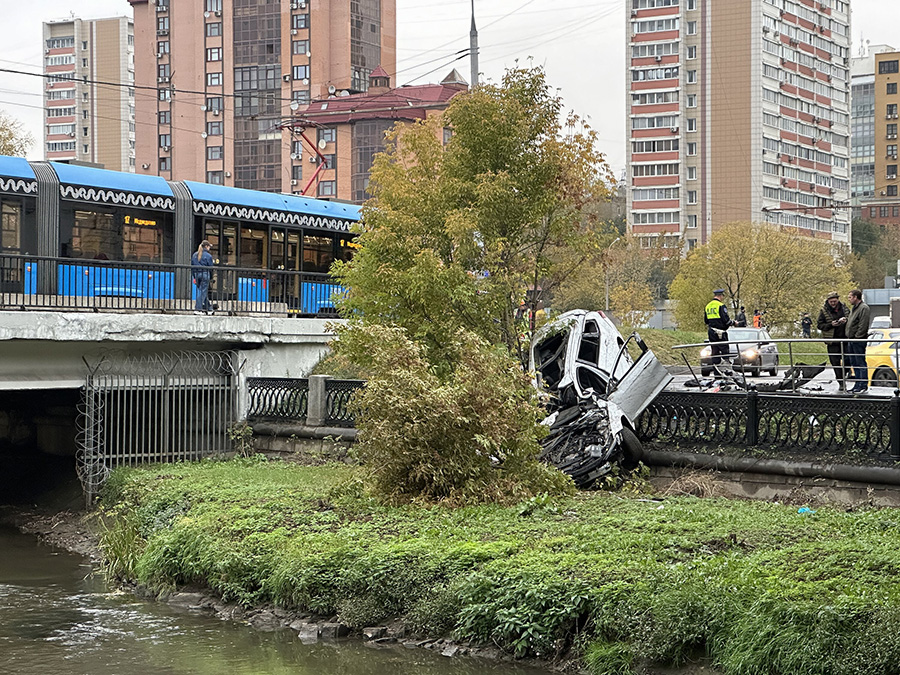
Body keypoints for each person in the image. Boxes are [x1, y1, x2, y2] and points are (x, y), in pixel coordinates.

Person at [816, 291, 848, 391]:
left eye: (834, 301)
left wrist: (845, 320)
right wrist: (831, 325)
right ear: (828, 301)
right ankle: (841, 382)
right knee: (835, 362)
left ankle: (844, 374)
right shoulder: (823, 311)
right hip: (832, 341)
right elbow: (819, 325)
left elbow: (851, 318)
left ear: (838, 300)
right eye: (831, 302)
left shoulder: (844, 308)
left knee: (848, 360)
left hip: (845, 338)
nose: (833, 303)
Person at [845, 289, 872, 393]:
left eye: (850, 297)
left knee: (860, 362)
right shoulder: (854, 309)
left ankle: (863, 384)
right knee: (854, 362)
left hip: (857, 340)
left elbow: (863, 325)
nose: (849, 299)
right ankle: (857, 384)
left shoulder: (863, 308)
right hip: (851, 340)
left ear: (856, 297)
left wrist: (857, 337)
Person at [704, 289, 732, 369]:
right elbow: (726, 320)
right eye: (723, 296)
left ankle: (717, 372)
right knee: (725, 351)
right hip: (721, 332)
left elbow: (706, 320)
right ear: (720, 295)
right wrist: (733, 323)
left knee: (715, 351)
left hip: (711, 332)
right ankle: (726, 370)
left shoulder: (708, 306)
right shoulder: (720, 305)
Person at [191, 240, 214, 314]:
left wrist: (194, 277)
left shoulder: (195, 255)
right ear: (206, 246)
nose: (209, 248)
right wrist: (211, 277)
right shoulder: (208, 256)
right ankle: (198, 309)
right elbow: (211, 268)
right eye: (209, 246)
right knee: (203, 292)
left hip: (197, 274)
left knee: (202, 292)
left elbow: (192, 267)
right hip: (205, 274)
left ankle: (209, 308)